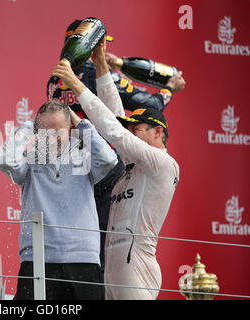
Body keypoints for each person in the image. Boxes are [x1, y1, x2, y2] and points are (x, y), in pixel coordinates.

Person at [52, 41, 180, 299]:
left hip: (137, 262)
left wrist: (77, 86)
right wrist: (100, 64)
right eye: (131, 128)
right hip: (115, 263)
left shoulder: (162, 163)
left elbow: (113, 130)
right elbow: (114, 111)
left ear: (158, 132)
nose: (131, 132)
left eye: (137, 128)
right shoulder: (134, 161)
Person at [0, 100, 118, 300]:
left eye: (58, 131)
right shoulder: (30, 158)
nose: (53, 139)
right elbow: (4, 160)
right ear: (37, 131)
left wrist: (82, 124)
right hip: (37, 258)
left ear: (70, 128)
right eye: (46, 132)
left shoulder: (84, 157)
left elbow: (108, 159)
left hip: (83, 259)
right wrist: (28, 126)